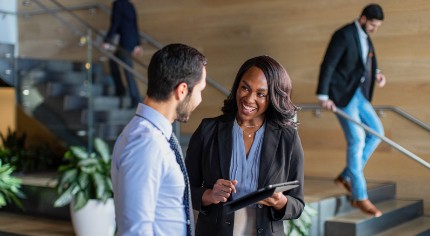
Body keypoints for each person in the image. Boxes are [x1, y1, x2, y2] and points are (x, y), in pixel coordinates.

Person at [185, 55, 305, 236]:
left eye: (261, 94)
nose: (249, 99)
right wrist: (209, 195)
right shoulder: (208, 130)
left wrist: (279, 201)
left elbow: (297, 204)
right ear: (237, 87)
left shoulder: (287, 137)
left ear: (272, 97)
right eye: (245, 88)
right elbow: (183, 190)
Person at [111, 43, 207, 235]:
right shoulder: (145, 143)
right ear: (182, 90)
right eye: (200, 90)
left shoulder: (156, 136)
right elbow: (136, 230)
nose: (200, 99)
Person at [316, 3, 386, 217]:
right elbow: (328, 64)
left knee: (377, 133)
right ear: (363, 19)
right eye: (373, 25)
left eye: (377, 26)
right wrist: (323, 96)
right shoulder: (344, 34)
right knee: (357, 140)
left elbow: (364, 61)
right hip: (342, 95)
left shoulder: (365, 37)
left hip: (360, 94)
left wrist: (378, 74)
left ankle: (346, 176)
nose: (375, 29)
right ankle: (360, 196)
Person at [103, 0, 143, 108]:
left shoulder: (118, 4)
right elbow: (135, 25)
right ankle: (121, 90)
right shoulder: (130, 5)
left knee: (127, 69)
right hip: (130, 40)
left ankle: (135, 98)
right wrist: (137, 44)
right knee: (113, 62)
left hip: (124, 41)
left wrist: (107, 40)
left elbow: (115, 23)